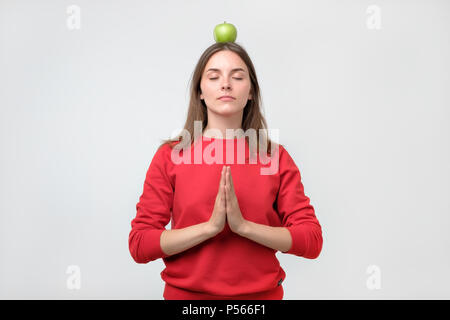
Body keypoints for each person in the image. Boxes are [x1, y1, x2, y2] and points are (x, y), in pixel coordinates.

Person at [128, 41, 323, 300]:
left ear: (251, 91)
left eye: (238, 76)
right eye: (214, 76)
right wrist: (209, 228)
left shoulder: (273, 157)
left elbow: (311, 240)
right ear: (200, 90)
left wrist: (244, 227)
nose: (226, 84)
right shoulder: (172, 156)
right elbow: (141, 244)